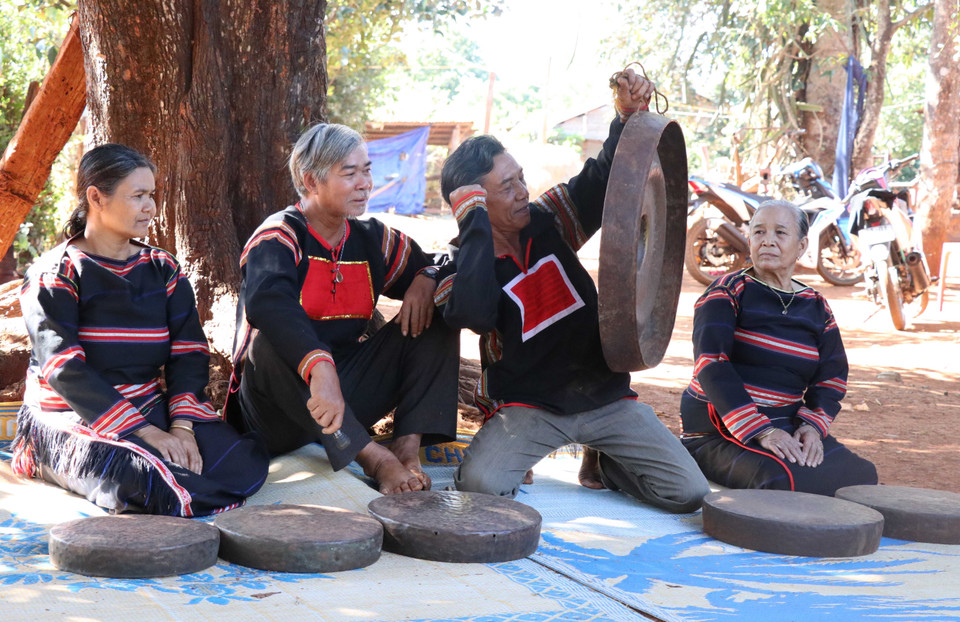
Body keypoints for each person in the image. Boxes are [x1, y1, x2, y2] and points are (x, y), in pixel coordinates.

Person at [436, 67, 710, 513]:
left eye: (521, 177)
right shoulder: (459, 264)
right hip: (529, 407)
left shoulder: (549, 218)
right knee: (482, 490)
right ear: (474, 202)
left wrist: (624, 116)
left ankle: (607, 460)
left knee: (688, 493)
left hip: (604, 397)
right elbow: (475, 314)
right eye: (507, 186)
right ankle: (558, 452)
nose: (524, 191)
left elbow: (604, 179)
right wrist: (475, 229)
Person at [12, 144, 269, 516]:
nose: (150, 207)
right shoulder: (55, 273)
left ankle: (183, 484)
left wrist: (181, 427)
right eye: (138, 196)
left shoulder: (163, 268)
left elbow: (188, 352)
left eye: (152, 195)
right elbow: (64, 368)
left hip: (149, 406)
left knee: (242, 462)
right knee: (145, 479)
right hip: (75, 416)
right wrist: (148, 434)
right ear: (96, 197)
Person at [226, 123, 458, 495]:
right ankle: (374, 458)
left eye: (366, 170)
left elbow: (439, 262)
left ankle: (406, 445)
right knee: (265, 343)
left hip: (344, 399)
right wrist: (320, 366)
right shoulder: (280, 235)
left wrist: (427, 276)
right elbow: (268, 302)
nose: (365, 182)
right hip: (279, 411)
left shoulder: (372, 239)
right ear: (311, 181)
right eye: (349, 173)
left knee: (440, 311)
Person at [680, 200, 878, 495]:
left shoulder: (816, 305)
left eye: (780, 233)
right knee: (779, 482)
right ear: (749, 242)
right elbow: (712, 364)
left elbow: (832, 375)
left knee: (860, 477)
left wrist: (812, 426)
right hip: (721, 426)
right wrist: (761, 430)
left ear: (801, 246)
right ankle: (689, 456)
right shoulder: (727, 291)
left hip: (786, 422)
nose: (767, 241)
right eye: (758, 232)